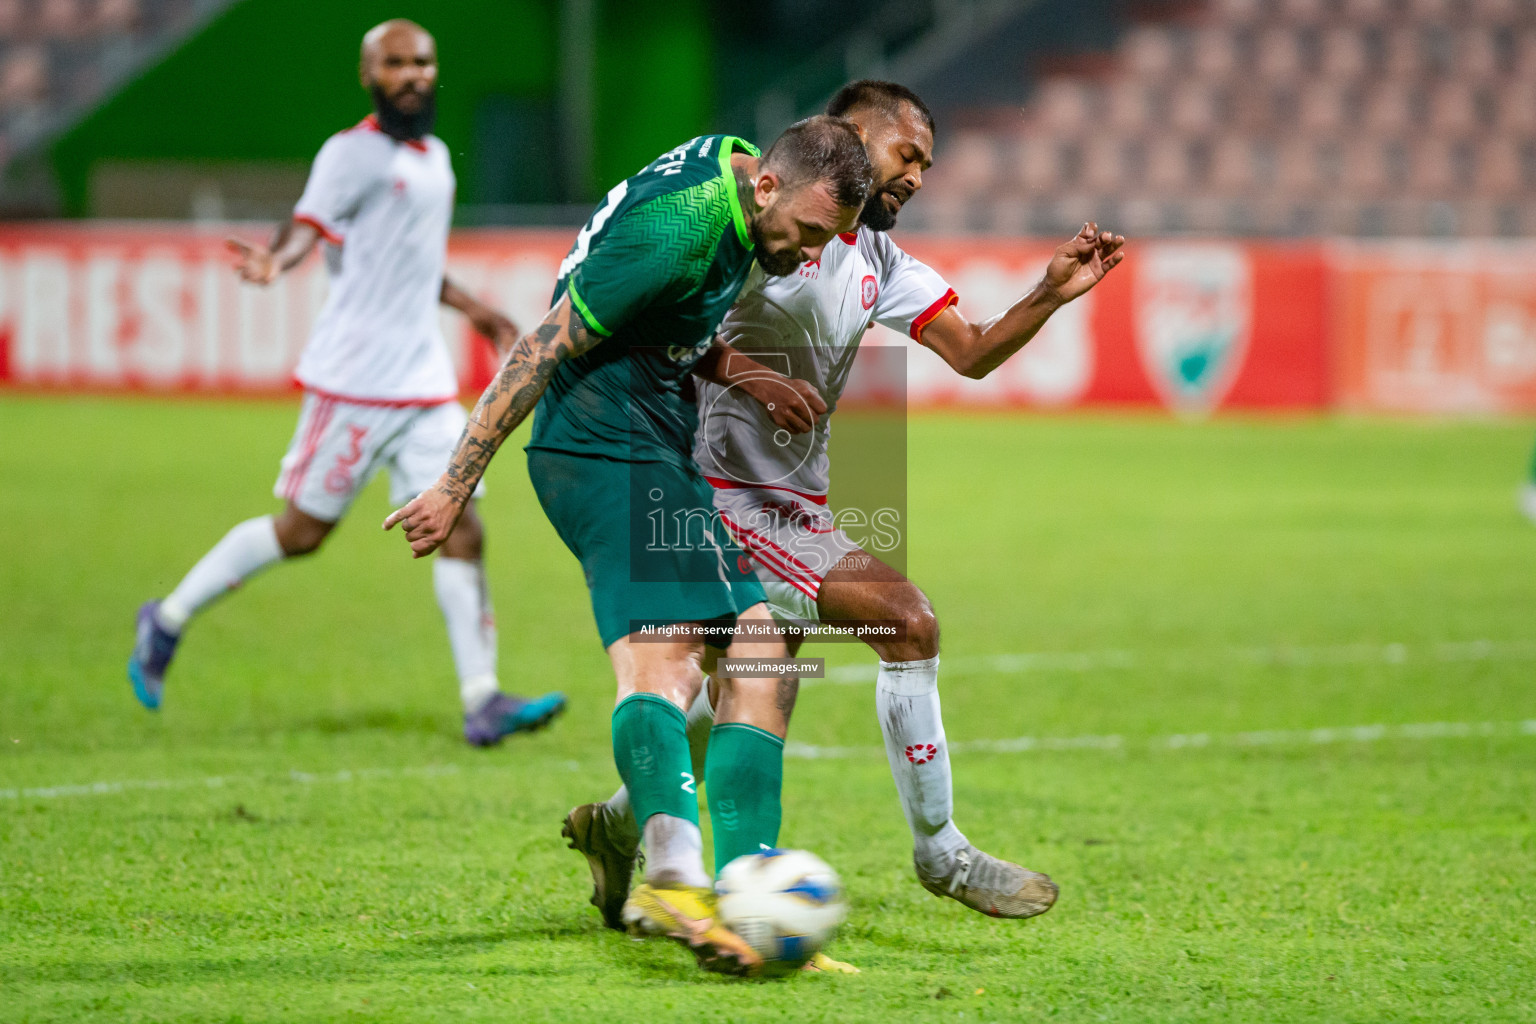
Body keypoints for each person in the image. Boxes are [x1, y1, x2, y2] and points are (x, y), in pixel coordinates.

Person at [565, 81, 1126, 928]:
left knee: (743, 694)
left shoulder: (879, 260)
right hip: (722, 493)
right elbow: (659, 318)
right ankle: (941, 854)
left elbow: (970, 353)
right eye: (910, 156)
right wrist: (746, 377)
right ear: (853, 138)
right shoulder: (769, 232)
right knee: (907, 620)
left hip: (795, 502)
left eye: (927, 166)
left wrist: (1049, 293)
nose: (919, 178)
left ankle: (617, 826)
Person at [383, 116, 872, 976]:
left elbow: (666, 327)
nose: (809, 257)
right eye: (809, 234)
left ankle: (741, 893)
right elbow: (542, 344)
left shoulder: (735, 182)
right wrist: (455, 483)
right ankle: (675, 879)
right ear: (768, 190)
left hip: (655, 437)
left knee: (761, 653)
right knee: (666, 661)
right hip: (599, 445)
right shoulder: (679, 226)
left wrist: (748, 374)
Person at [127, 20, 566, 747]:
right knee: (302, 533)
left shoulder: (433, 161)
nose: (412, 75)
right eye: (395, 64)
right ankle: (166, 620)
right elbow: (307, 224)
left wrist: (479, 310)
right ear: (369, 74)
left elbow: (415, 265)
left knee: (462, 525)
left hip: (422, 381)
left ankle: (481, 698)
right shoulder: (351, 153)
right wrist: (277, 260)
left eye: (422, 62)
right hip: (355, 382)